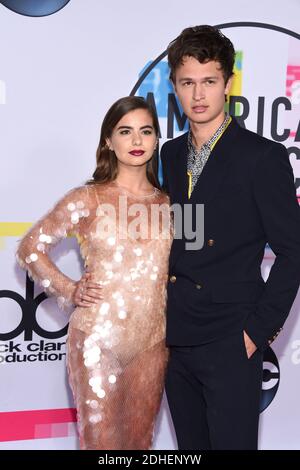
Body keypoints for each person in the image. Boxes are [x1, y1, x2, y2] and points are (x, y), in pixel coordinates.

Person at [160, 25, 300, 450]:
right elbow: (178, 239)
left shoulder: (261, 157)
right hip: (176, 336)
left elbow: (294, 253)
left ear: (227, 84)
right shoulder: (168, 152)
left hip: (229, 338)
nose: (198, 94)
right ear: (174, 87)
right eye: (188, 83)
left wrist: (255, 333)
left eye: (209, 81)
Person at [16, 96, 172, 450]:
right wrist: (69, 289)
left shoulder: (170, 205)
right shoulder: (86, 198)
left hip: (153, 344)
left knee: (140, 445)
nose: (136, 141)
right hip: (97, 342)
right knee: (101, 446)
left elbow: (196, 262)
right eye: (125, 131)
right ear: (108, 140)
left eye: (145, 132)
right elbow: (30, 248)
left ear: (156, 140)